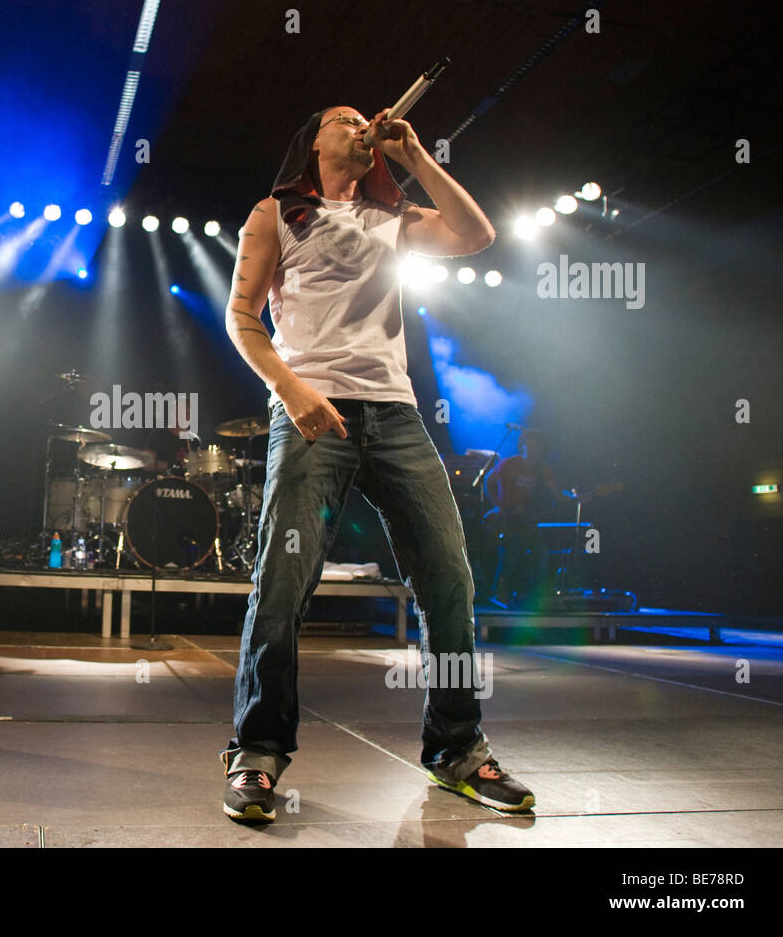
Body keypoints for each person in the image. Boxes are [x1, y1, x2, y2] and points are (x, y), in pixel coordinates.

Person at [221, 104, 535, 820]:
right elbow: (243, 318)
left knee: (449, 578)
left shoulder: (392, 217)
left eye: (369, 119)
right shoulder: (275, 212)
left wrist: (417, 156)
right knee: (283, 581)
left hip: (394, 413)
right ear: (315, 141)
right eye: (345, 118)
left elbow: (476, 235)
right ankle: (257, 753)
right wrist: (291, 389)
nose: (361, 125)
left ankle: (458, 749)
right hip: (310, 410)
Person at [485, 429, 573, 609]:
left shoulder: (544, 470)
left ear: (542, 450)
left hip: (526, 519)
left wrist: (576, 497)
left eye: (536, 447)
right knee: (510, 556)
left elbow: (556, 492)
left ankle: (533, 598)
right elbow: (489, 482)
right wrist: (499, 505)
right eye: (529, 446)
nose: (531, 450)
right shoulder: (509, 464)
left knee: (539, 556)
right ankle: (499, 595)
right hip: (507, 518)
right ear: (522, 446)